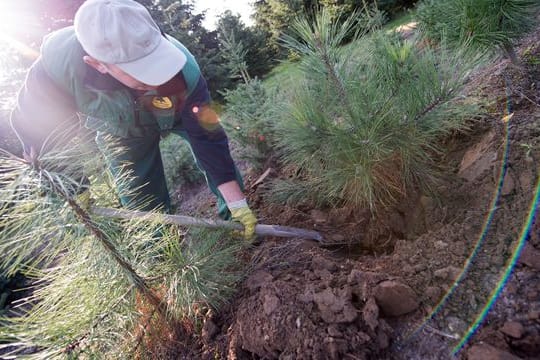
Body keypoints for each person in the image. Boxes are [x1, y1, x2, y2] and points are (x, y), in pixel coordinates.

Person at [10, 0, 257, 240]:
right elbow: (40, 136)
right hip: (120, 128)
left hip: (178, 109)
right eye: (140, 73)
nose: (157, 80)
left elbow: (208, 138)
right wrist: (74, 191)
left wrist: (237, 203)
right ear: (98, 64)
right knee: (141, 196)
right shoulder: (57, 69)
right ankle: (162, 255)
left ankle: (234, 220)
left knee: (227, 185)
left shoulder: (185, 70)